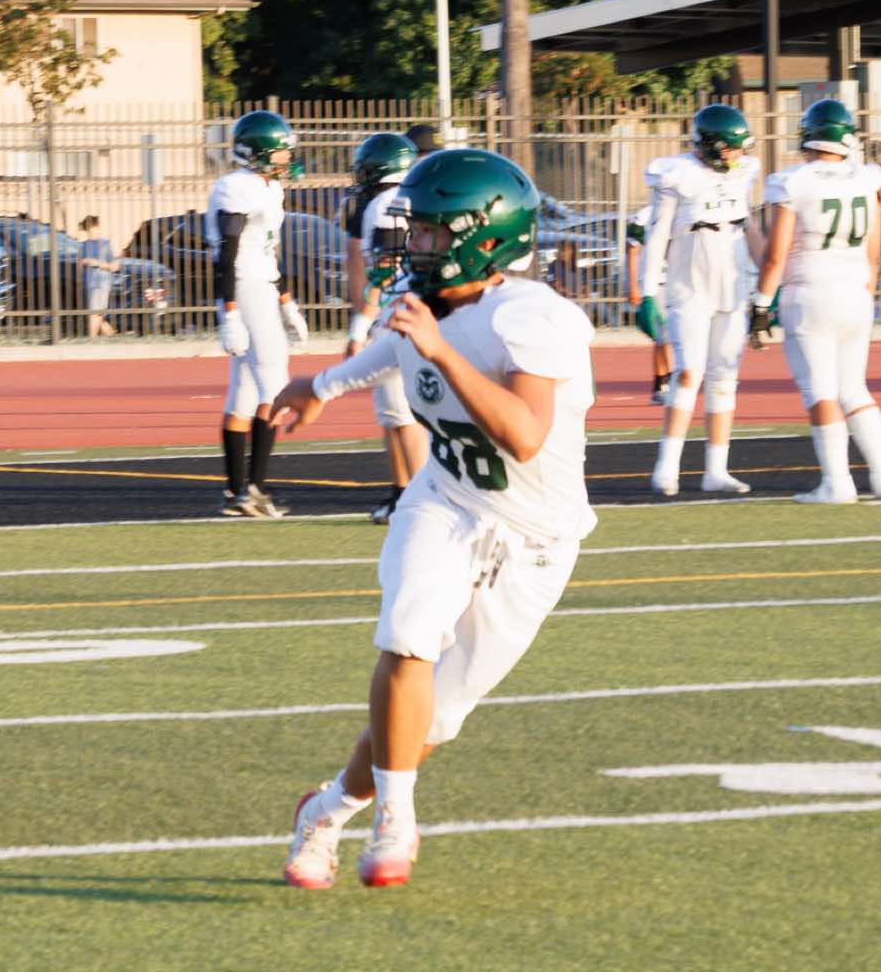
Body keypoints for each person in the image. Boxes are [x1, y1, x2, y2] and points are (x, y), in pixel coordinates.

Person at [269, 148, 596, 889]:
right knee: (409, 635)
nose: (413, 244)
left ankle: (326, 809)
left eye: (430, 232)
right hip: (445, 499)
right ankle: (397, 819)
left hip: (535, 539)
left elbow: (523, 434)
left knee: (436, 720)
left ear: (484, 237)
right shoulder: (429, 307)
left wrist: (440, 351)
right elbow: (392, 349)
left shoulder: (535, 317)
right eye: (414, 228)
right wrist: (321, 385)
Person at [752, 99, 881, 504]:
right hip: (856, 292)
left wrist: (761, 305)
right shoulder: (866, 178)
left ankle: (837, 483)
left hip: (810, 293)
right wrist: (866, 292)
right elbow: (874, 250)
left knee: (820, 392)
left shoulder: (794, 181)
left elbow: (776, 254)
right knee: (855, 389)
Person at [640, 104, 765, 496]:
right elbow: (658, 235)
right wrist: (647, 293)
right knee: (688, 373)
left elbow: (750, 228)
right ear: (714, 146)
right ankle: (667, 467)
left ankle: (716, 470)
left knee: (725, 377)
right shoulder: (676, 174)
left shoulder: (744, 172)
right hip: (690, 286)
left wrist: (768, 285)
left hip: (732, 284)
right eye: (733, 147)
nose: (739, 154)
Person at [210, 109, 310, 519]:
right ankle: (254, 489)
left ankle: (238, 492)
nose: (288, 157)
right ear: (260, 152)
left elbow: (268, 250)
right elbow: (227, 255)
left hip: (262, 286)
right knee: (275, 387)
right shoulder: (236, 187)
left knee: (246, 393)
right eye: (282, 151)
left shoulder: (269, 187)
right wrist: (230, 313)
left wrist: (286, 300)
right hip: (245, 288)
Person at [344, 131, 426, 525]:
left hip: (397, 315)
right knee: (393, 414)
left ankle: (420, 497)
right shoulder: (408, 198)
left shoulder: (385, 203)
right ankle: (402, 493)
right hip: (406, 313)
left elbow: (385, 269)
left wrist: (359, 327)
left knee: (402, 414)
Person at [622, 206, 673, 406]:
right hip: (654, 284)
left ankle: (663, 384)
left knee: (668, 337)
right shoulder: (643, 217)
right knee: (663, 336)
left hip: (679, 282)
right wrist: (634, 286)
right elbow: (632, 252)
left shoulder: (685, 208)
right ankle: (667, 384)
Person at [76, 214, 122, 337]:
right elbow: (79, 265)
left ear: (98, 227)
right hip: (88, 285)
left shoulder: (106, 244)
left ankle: (92, 340)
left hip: (101, 284)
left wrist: (97, 263)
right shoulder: (83, 245)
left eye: (94, 228)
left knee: (94, 313)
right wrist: (82, 263)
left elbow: (115, 266)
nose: (92, 232)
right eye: (89, 230)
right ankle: (112, 337)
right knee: (98, 314)